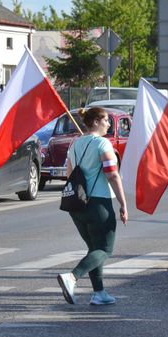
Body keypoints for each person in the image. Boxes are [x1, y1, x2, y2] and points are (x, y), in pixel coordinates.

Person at [57, 107, 128, 306]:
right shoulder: (103, 144)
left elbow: (70, 173)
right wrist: (123, 203)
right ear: (95, 122)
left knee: (94, 249)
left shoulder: (76, 143)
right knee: (105, 249)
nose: (109, 124)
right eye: (106, 120)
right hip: (98, 203)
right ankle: (71, 277)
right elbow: (112, 175)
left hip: (77, 204)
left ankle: (99, 293)